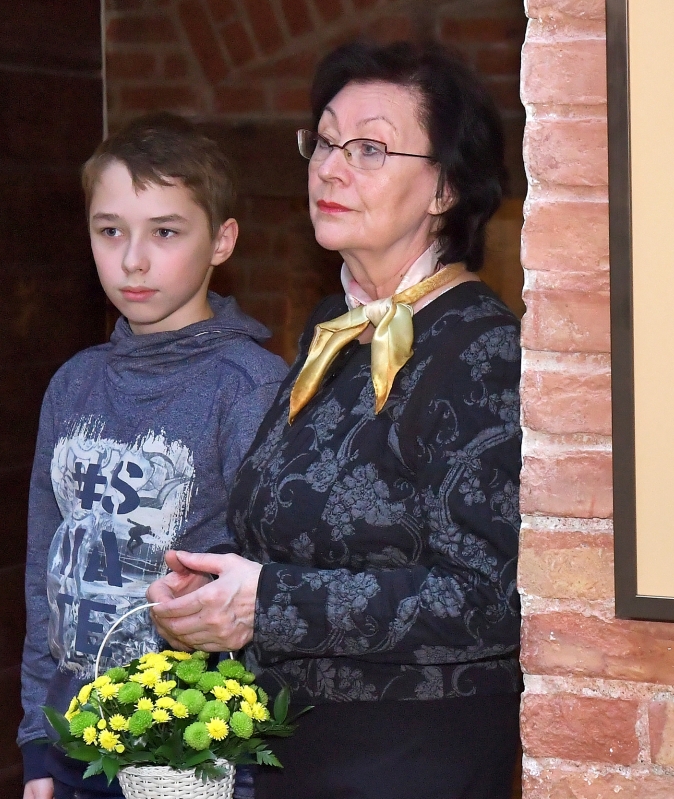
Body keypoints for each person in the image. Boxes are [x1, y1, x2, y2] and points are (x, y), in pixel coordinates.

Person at [148, 41, 522, 799]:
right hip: (300, 750)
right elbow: (305, 530)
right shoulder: (334, 326)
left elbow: (488, 600)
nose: (330, 168)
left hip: (414, 758)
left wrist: (265, 601)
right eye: (322, 142)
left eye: (369, 149)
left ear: (446, 187)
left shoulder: (483, 348)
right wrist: (215, 587)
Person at [18, 113, 288, 799]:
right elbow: (45, 569)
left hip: (194, 757)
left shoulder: (249, 387)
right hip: (75, 743)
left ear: (221, 240)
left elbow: (279, 584)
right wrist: (35, 741)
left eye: (165, 232)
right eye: (110, 231)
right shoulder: (74, 383)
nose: (132, 260)